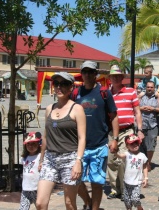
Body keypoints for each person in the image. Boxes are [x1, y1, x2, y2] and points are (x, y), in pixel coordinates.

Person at [36, 72, 86, 210]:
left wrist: (78, 161)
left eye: (63, 84)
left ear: (71, 87)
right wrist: (41, 160)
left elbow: (82, 138)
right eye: (56, 84)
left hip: (70, 158)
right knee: (40, 203)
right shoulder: (49, 109)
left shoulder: (77, 109)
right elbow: (46, 136)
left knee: (69, 203)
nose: (59, 87)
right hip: (50, 159)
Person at [74, 61, 119, 210]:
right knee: (76, 180)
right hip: (79, 146)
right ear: (82, 74)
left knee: (97, 182)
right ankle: (87, 201)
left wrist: (115, 139)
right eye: (84, 72)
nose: (87, 75)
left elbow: (114, 116)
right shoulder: (76, 93)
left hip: (99, 145)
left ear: (95, 74)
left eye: (90, 72)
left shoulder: (104, 93)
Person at [106, 65, 145, 201]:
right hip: (111, 132)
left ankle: (124, 190)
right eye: (113, 76)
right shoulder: (106, 94)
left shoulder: (130, 92)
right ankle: (114, 188)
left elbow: (137, 112)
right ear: (109, 78)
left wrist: (140, 130)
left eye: (118, 76)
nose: (115, 78)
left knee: (123, 160)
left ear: (122, 78)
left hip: (127, 130)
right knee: (111, 161)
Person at [140, 81, 159, 171]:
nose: (149, 89)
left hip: (153, 124)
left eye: (151, 87)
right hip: (141, 125)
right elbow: (132, 106)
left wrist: (154, 109)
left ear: (154, 88)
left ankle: (148, 163)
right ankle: (142, 163)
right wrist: (141, 108)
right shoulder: (140, 97)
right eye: (148, 87)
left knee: (151, 145)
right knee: (141, 144)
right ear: (145, 87)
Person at [116, 134, 148, 210]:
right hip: (126, 182)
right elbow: (120, 156)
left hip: (137, 182)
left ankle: (140, 208)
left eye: (136, 143)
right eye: (132, 144)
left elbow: (145, 167)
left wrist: (145, 178)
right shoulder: (127, 154)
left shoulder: (142, 155)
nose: (135, 145)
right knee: (127, 201)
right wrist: (114, 152)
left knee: (135, 199)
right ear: (127, 146)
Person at [19, 132, 42, 210]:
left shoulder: (40, 157)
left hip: (37, 188)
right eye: (28, 144)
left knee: (40, 206)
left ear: (38, 144)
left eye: (33, 144)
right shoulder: (24, 158)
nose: (30, 146)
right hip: (25, 188)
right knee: (23, 208)